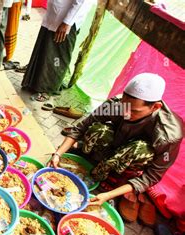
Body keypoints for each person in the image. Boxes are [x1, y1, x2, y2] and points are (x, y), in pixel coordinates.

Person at [49, 73, 183, 226]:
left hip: (130, 159)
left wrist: (107, 196)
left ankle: (118, 182)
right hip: (113, 145)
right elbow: (82, 126)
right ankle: (93, 160)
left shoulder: (168, 135)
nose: (126, 114)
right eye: (124, 107)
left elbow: (152, 176)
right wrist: (58, 153)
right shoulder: (116, 104)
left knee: (140, 149)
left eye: (134, 111)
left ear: (156, 107)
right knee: (98, 129)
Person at [20, 0, 92, 102]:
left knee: (56, 58)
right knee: (45, 52)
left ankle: (48, 89)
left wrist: (67, 22)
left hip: (65, 21)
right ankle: (35, 83)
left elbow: (81, 2)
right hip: (54, 16)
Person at [4, 0, 22, 66]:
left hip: (15, 3)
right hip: (9, 4)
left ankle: (8, 57)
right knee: (8, 29)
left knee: (11, 29)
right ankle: (6, 55)